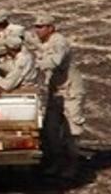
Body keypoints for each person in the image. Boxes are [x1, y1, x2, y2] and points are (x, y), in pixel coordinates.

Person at [35, 15, 86, 178]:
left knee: (71, 130)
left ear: (51, 28)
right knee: (50, 129)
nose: (38, 30)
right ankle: (56, 163)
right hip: (56, 91)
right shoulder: (45, 42)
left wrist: (33, 65)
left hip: (70, 91)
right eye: (36, 26)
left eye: (41, 26)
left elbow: (55, 61)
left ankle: (72, 165)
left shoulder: (59, 42)